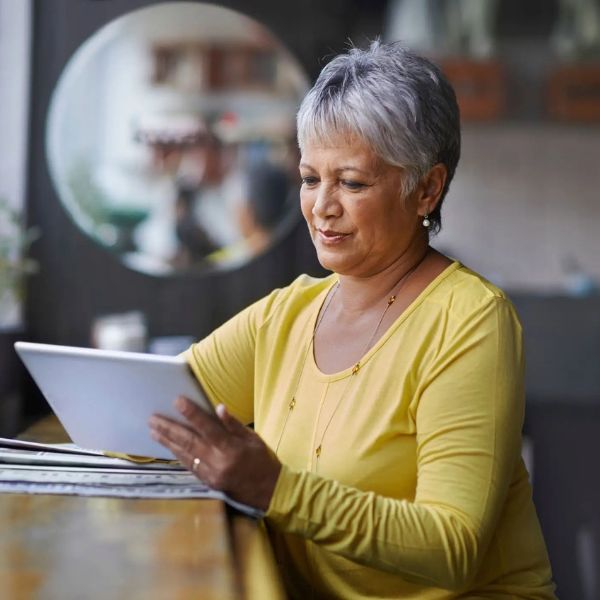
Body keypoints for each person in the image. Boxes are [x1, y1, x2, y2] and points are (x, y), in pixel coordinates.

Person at [149, 41, 556, 598]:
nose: (322, 206)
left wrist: (275, 489)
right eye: (310, 178)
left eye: (353, 182)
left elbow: (453, 547)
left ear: (427, 189)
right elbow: (148, 411)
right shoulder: (285, 315)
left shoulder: (470, 321)